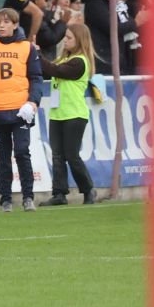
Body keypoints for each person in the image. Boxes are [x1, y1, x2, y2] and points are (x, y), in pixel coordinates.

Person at [0, 6, 46, 212]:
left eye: (6, 22)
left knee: (22, 152)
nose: (2, 26)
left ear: (15, 25)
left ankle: (28, 197)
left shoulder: (27, 48)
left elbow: (36, 78)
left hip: (21, 110)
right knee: (2, 157)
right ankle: (5, 199)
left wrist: (33, 102)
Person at [45, 21, 101, 207]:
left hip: (74, 114)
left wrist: (37, 55)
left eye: (69, 38)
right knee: (57, 156)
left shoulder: (80, 62)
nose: (65, 40)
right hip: (57, 113)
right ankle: (59, 193)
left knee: (71, 155)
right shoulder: (63, 59)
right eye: (65, 37)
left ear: (79, 40)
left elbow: (55, 70)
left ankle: (88, 189)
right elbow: (49, 69)